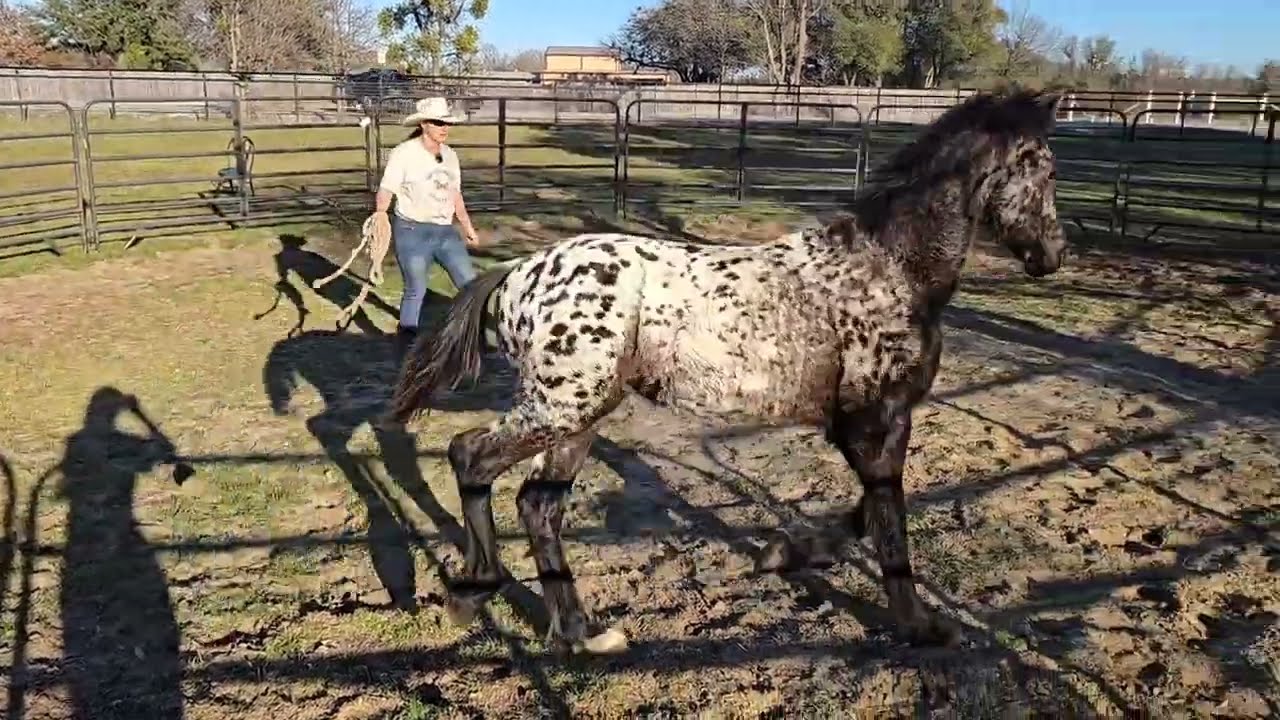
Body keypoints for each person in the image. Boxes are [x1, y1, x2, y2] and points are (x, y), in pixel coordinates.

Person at [372, 96, 482, 360]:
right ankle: (407, 340)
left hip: (444, 231)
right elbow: (387, 188)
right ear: (423, 124)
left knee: (470, 284)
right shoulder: (404, 153)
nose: (444, 128)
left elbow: (455, 194)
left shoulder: (450, 156)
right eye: (437, 122)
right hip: (412, 231)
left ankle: (475, 336)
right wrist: (380, 214)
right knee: (416, 287)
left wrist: (467, 225)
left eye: (446, 123)